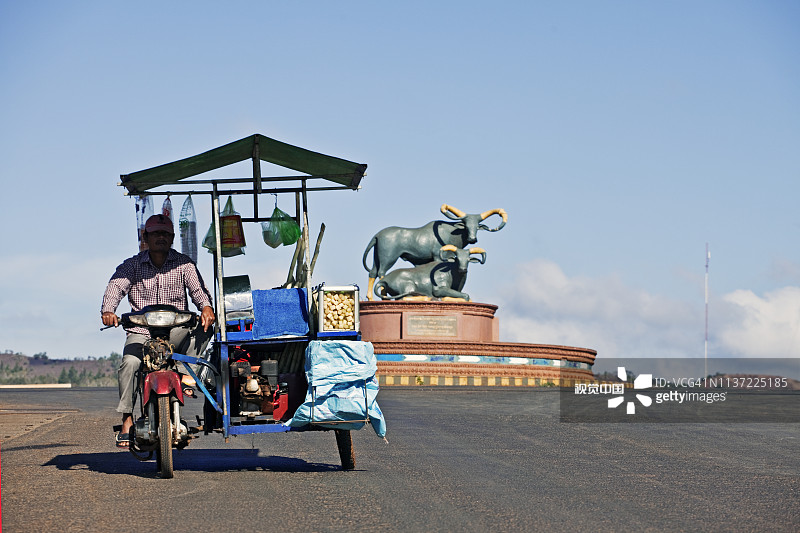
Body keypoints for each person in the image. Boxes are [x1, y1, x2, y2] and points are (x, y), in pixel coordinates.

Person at [101, 213, 215, 448]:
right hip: (142, 332)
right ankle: (127, 418)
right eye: (155, 234)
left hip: (176, 331)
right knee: (129, 364)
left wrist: (205, 307)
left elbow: (198, 291)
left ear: (172, 238)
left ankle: (185, 372)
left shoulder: (184, 264)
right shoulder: (132, 265)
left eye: (165, 234)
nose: (160, 238)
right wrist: (108, 311)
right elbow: (116, 286)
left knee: (205, 328)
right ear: (145, 237)